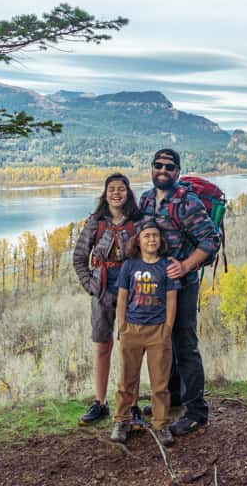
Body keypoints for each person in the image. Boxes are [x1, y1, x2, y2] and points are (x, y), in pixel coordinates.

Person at [138, 148, 220, 436]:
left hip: (183, 286)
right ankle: (171, 396)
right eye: (158, 165)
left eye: (169, 167)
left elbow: (210, 241)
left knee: (185, 344)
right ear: (151, 168)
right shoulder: (146, 199)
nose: (163, 171)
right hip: (157, 287)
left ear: (177, 171)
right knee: (164, 342)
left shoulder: (188, 202)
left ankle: (197, 411)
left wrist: (185, 266)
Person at [72, 172, 142, 425]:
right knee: (103, 346)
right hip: (102, 291)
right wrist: (90, 285)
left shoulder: (138, 221)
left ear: (128, 193)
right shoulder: (95, 222)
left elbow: (149, 254)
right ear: (105, 193)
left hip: (132, 293)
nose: (116, 193)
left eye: (121, 189)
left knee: (130, 348)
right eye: (111, 188)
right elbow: (79, 257)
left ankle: (132, 405)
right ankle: (100, 403)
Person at [110, 219, 180, 446]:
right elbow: (122, 297)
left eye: (155, 236)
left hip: (157, 331)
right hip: (132, 329)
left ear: (160, 241)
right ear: (138, 241)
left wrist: (167, 328)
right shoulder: (130, 266)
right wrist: (122, 326)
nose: (151, 239)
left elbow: (171, 300)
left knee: (160, 383)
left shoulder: (166, 267)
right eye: (147, 236)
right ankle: (122, 420)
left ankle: (161, 424)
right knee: (126, 380)